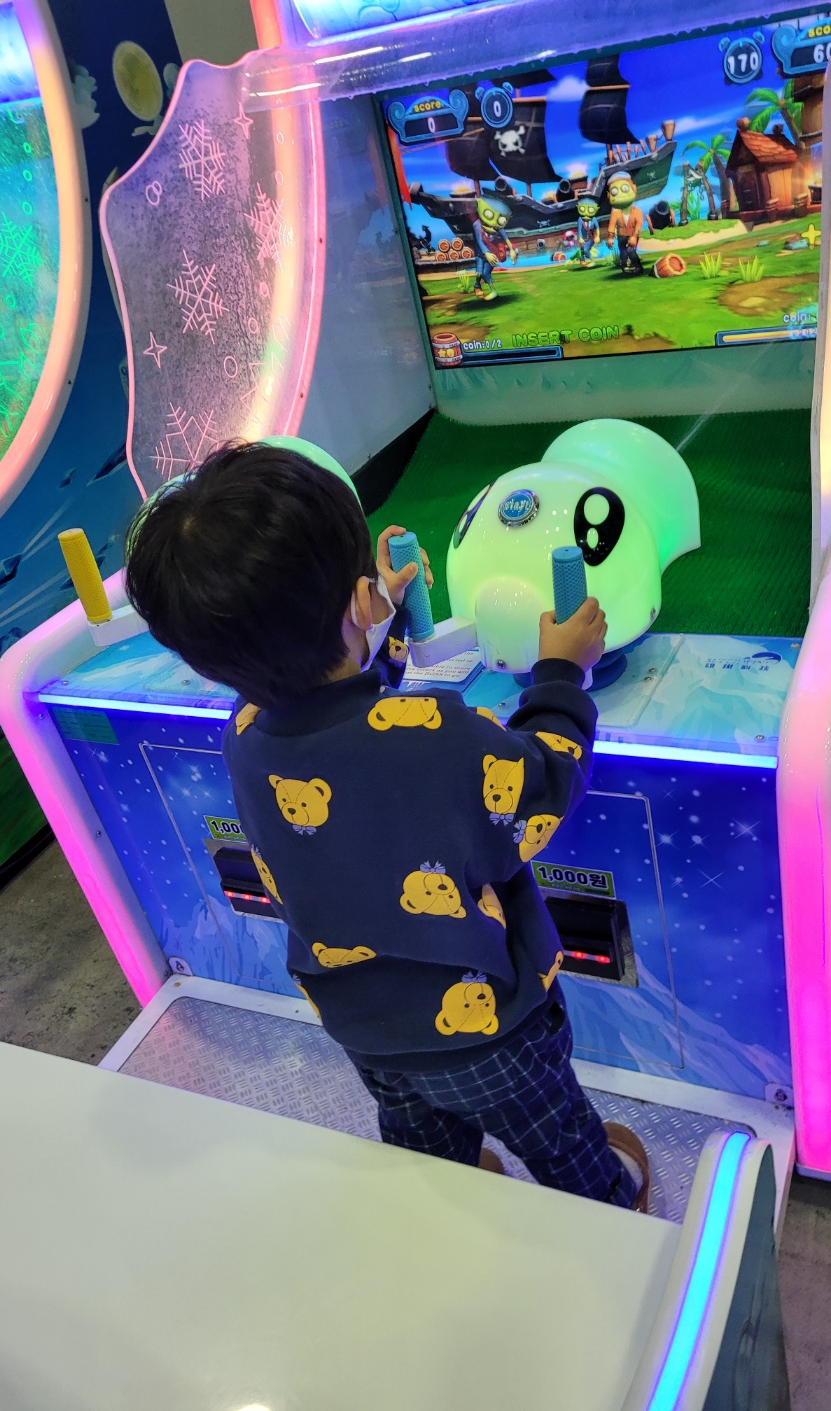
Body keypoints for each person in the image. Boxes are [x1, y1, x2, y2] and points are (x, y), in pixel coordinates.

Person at [124, 441, 650, 1211]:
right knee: (558, 1133)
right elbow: (542, 790)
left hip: (362, 1025)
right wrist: (562, 673)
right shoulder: (442, 733)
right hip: (493, 1031)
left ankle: (446, 1195)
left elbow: (346, 710)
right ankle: (609, 1204)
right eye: (365, 584)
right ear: (353, 605)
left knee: (421, 1141)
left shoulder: (245, 733)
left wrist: (387, 616)